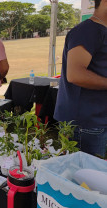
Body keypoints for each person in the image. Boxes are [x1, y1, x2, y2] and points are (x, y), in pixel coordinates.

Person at [54, 0, 107, 158]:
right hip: (84, 123)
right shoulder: (87, 30)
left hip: (96, 120)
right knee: (80, 178)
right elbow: (75, 74)